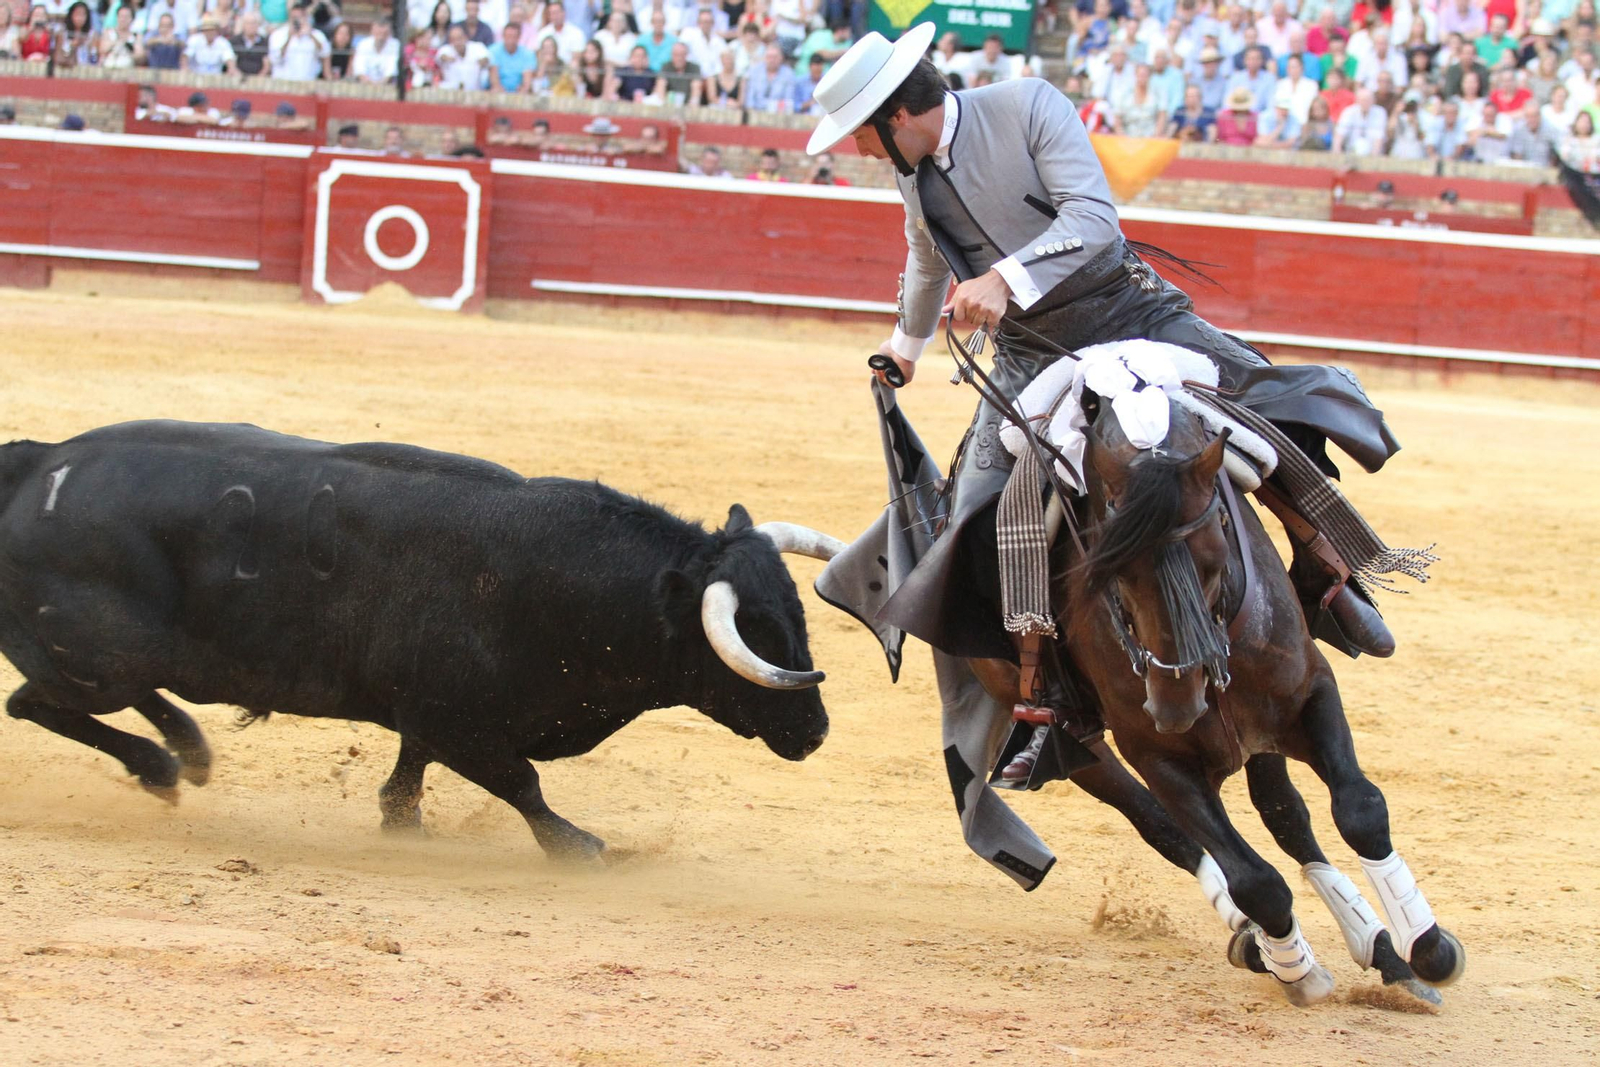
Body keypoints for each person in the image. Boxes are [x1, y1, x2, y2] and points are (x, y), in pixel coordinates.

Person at [805, 25, 1403, 747]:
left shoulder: (1028, 103)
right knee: (976, 515)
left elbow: (1092, 216)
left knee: (1266, 395)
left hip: (1129, 311)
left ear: (895, 115)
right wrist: (904, 346)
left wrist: (1004, 278)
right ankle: (1041, 695)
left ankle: (1329, 569)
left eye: (859, 135)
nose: (858, 152)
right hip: (1029, 350)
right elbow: (927, 257)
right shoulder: (911, 170)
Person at [269, 3, 331, 80]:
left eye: (300, 17)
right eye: (294, 17)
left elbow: (325, 53)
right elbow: (275, 59)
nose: (297, 20)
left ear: (306, 17)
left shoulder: (317, 34)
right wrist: (289, 37)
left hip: (307, 83)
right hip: (283, 83)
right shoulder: (278, 35)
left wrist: (310, 34)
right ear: (289, 17)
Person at [488, 18, 537, 90]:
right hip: (497, 92)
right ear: (503, 36)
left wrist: (519, 97)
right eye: (508, 36)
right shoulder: (493, 51)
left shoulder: (528, 54)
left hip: (519, 93)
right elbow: (494, 80)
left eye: (514, 37)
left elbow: (527, 82)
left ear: (519, 37)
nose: (510, 40)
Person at [351, 18, 399, 83]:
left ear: (389, 33)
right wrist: (369, 82)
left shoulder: (396, 45)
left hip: (388, 85)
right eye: (379, 32)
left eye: (385, 33)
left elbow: (392, 69)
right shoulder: (363, 44)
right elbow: (359, 68)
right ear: (372, 31)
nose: (381, 35)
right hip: (365, 85)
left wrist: (381, 83)